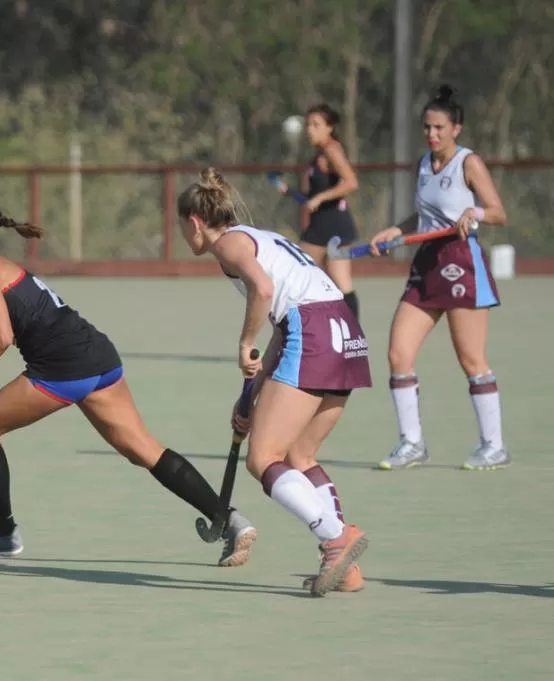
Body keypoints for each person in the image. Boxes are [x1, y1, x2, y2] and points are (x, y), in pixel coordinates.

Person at [0, 194, 257, 567]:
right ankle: (231, 521)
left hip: (61, 367)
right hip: (96, 355)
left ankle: (1, 532)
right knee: (143, 450)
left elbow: (1, 338)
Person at [177, 167, 371, 596]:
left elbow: (264, 292)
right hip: (344, 330)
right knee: (301, 455)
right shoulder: (259, 237)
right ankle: (344, 565)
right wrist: (254, 391)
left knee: (262, 459)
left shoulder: (228, 245)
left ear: (194, 222)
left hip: (314, 332)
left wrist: (245, 340)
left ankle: (337, 539)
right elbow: (284, 327)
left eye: (181, 227)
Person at [371, 85, 509, 471]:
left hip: (462, 262)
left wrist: (475, 214)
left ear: (456, 129)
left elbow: (498, 211)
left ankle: (494, 446)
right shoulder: (422, 164)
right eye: (427, 128)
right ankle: (412, 443)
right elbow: (423, 218)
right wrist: (395, 231)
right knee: (399, 353)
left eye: (439, 128)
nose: (432, 135)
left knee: (470, 358)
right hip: (426, 263)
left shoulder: (468, 164)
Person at [275, 104, 361, 319]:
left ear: (329, 127)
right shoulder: (318, 154)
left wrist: (321, 198)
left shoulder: (332, 149)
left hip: (333, 226)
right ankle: (336, 335)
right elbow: (314, 195)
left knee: (305, 275)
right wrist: (291, 192)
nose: (310, 130)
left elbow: (351, 182)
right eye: (308, 125)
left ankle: (352, 338)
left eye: (316, 125)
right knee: (318, 280)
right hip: (321, 223)